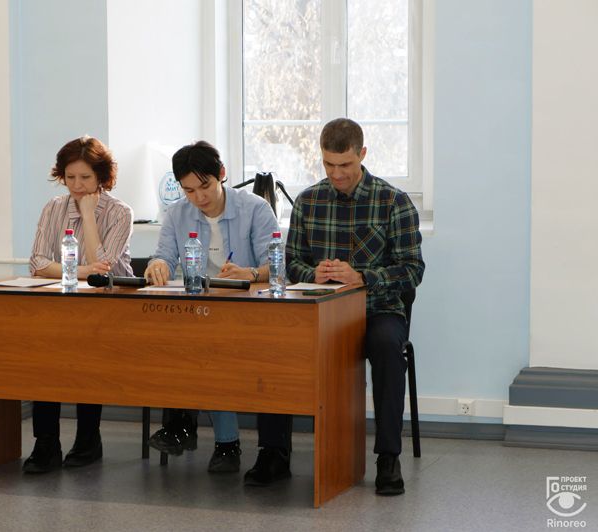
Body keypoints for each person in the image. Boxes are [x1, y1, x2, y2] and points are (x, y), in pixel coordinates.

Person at [245, 118, 424, 495]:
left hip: (377, 310)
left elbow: (412, 269)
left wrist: (363, 277)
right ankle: (274, 452)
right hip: (318, 311)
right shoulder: (308, 201)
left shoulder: (393, 201)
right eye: (329, 164)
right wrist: (314, 272)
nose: (337, 174)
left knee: (388, 349)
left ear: (362, 154)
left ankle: (388, 457)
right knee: (274, 345)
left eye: (345, 164)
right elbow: (290, 262)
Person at [144, 140, 280, 473]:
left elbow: (277, 267)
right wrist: (157, 265)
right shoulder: (177, 214)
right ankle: (188, 428)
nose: (199, 198)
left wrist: (250, 273)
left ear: (222, 174)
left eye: (205, 186)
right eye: (189, 191)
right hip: (196, 311)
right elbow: (164, 256)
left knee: (209, 345)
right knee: (165, 340)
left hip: (245, 311)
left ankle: (213, 438)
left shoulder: (255, 209)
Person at [23, 135, 134, 474]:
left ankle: (88, 439)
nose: (77, 185)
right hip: (60, 306)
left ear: (101, 176)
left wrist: (87, 216)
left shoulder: (119, 213)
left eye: (85, 177)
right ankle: (46, 443)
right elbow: (38, 263)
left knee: (87, 357)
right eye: (70, 177)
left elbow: (105, 268)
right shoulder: (53, 208)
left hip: (108, 310)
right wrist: (81, 271)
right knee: (43, 359)